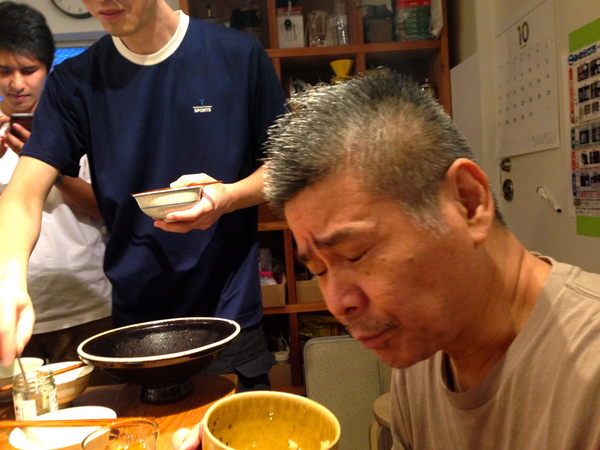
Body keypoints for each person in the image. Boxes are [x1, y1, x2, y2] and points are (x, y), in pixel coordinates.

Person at [175, 69, 600, 449]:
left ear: (468, 202)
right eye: (317, 270)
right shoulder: (424, 346)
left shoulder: (587, 375)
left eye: (355, 254)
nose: (337, 304)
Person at [0, 0, 286, 391]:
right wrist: (9, 277)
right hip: (134, 326)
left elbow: (284, 167)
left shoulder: (237, 55)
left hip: (227, 315)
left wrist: (228, 197)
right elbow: (22, 195)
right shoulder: (76, 81)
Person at [0, 2, 112, 381]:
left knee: (101, 408)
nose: (17, 83)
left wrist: (50, 167)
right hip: (11, 313)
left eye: (28, 70)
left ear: (48, 68)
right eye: (4, 71)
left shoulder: (78, 123)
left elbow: (107, 209)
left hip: (87, 306)